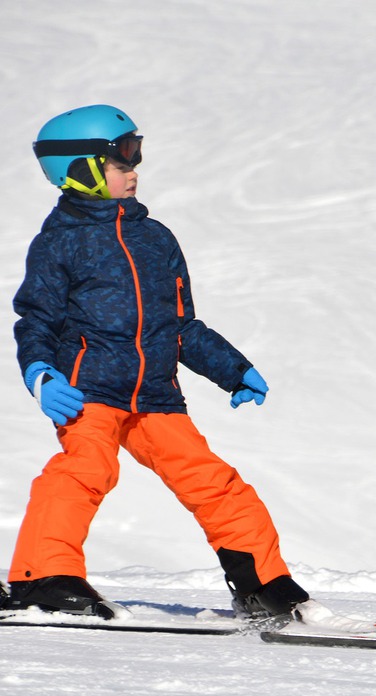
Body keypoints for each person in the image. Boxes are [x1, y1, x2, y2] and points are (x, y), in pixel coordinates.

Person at [2, 104, 323, 624]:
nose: (134, 170)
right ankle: (43, 577)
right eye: (121, 159)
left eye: (136, 155)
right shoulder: (59, 243)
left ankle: (262, 584)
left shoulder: (156, 238)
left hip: (155, 394)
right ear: (80, 169)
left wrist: (231, 369)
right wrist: (40, 371)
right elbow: (36, 317)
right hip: (90, 390)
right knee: (84, 472)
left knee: (215, 482)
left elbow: (179, 326)